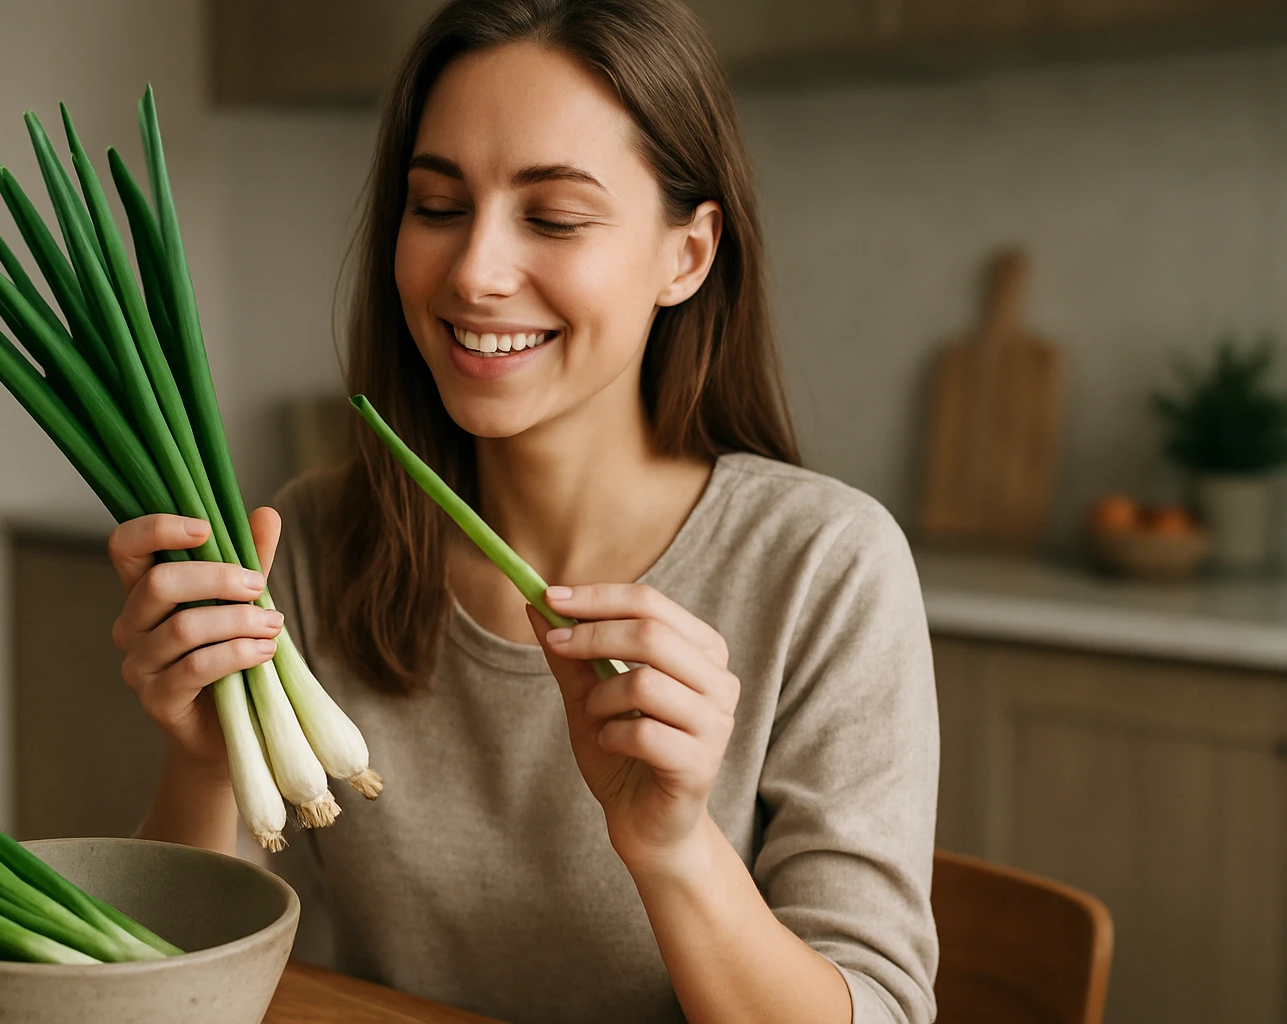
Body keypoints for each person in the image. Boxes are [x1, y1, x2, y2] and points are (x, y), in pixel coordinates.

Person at [107, 1, 938, 1021]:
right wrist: (204, 755)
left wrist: (674, 850)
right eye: (437, 205)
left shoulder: (825, 568)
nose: (474, 272)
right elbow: (166, 993)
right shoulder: (316, 544)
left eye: (553, 217)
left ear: (688, 253)